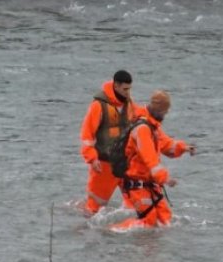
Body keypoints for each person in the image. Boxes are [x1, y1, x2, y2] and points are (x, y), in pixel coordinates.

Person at [112, 90, 196, 230]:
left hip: (150, 183)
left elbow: (166, 144)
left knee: (166, 219)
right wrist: (165, 179)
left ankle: (156, 249)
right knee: (148, 221)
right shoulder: (143, 129)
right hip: (136, 184)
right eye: (165, 111)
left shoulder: (153, 126)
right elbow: (149, 158)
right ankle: (112, 231)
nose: (166, 114)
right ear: (159, 109)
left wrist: (184, 148)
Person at [80, 70, 141, 215]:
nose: (128, 92)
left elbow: (141, 119)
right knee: (93, 208)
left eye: (129, 89)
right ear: (116, 86)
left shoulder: (130, 104)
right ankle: (87, 234)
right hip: (104, 163)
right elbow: (87, 135)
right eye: (125, 89)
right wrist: (92, 158)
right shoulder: (98, 106)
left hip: (125, 162)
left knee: (136, 204)